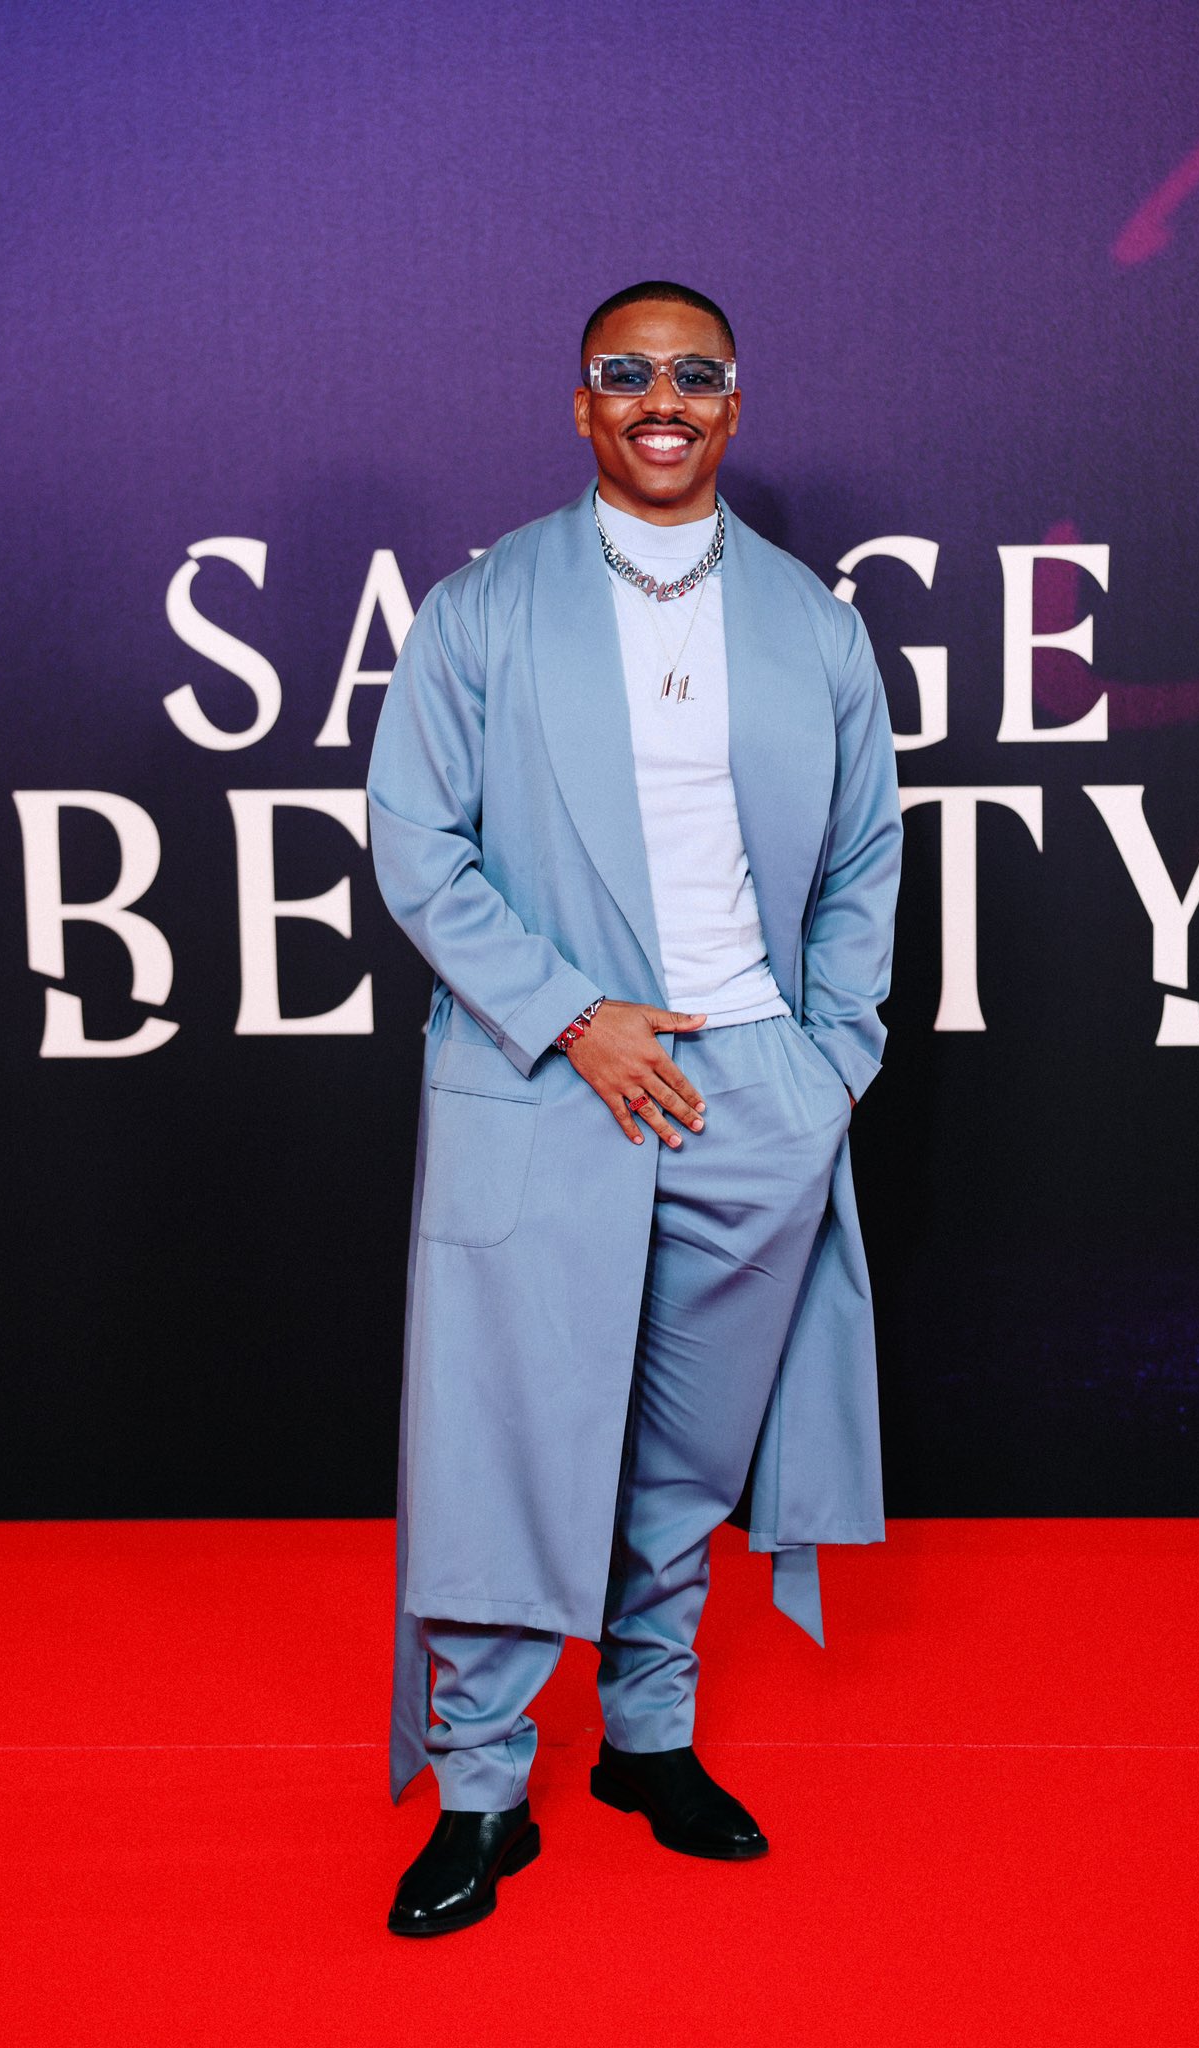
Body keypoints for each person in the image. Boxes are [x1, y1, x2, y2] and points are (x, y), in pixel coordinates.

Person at [367, 281, 902, 1936]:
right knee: (502, 1445)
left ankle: (645, 1739)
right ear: (581, 404)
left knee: (681, 1460)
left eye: (692, 374)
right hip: (549, 1079)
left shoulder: (811, 624)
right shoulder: (483, 609)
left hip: (755, 1096)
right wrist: (569, 1016)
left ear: (731, 405)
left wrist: (826, 1066)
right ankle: (481, 1788)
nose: (658, 398)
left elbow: (864, 861)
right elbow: (416, 844)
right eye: (625, 373)